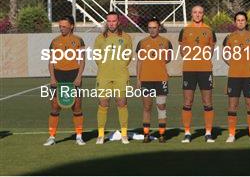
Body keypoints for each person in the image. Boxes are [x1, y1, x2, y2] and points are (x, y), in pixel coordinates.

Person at [43, 16, 86, 146]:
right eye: (60, 26)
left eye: (64, 26)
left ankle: (79, 136)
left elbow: (82, 60)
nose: (61, 28)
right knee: (55, 107)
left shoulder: (79, 40)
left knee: (77, 107)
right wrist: (52, 77)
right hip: (58, 75)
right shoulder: (54, 41)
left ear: (71, 26)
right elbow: (51, 61)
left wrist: (79, 77)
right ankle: (51, 137)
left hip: (73, 75)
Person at [178, 5, 217, 143]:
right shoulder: (185, 30)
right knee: (188, 102)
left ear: (203, 14)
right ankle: (187, 133)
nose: (197, 14)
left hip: (205, 70)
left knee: (207, 102)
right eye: (195, 12)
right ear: (191, 14)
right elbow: (182, 50)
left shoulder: (209, 30)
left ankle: (208, 133)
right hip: (189, 70)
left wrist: (203, 59)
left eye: (200, 12)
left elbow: (211, 49)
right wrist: (191, 59)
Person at [94, 11, 133, 144]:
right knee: (103, 104)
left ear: (118, 22)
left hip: (121, 76)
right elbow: (97, 57)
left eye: (113, 21)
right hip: (104, 76)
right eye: (109, 21)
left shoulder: (126, 37)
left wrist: (120, 66)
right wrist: (106, 66)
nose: (111, 23)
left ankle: (124, 134)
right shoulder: (100, 38)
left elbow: (128, 56)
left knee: (122, 103)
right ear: (106, 22)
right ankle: (100, 135)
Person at [223, 12, 250, 143]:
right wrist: (233, 64)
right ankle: (232, 134)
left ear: (246, 22)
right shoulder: (229, 38)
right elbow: (225, 55)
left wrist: (249, 64)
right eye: (238, 20)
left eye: (242, 20)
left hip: (249, 75)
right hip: (234, 76)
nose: (240, 22)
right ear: (235, 22)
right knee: (232, 105)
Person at [136, 17, 173, 143]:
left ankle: (162, 134)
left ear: (159, 28)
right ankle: (146, 134)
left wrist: (164, 52)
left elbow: (168, 59)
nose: (152, 30)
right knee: (147, 106)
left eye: (154, 27)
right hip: (146, 79)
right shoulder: (142, 42)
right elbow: (139, 62)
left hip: (161, 79)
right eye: (150, 28)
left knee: (161, 106)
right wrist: (138, 79)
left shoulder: (166, 42)